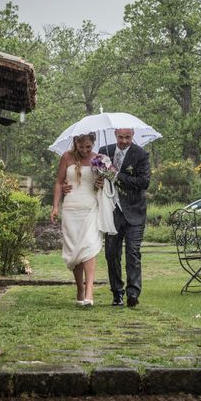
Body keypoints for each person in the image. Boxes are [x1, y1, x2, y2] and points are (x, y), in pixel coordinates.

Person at [98, 128, 150, 307]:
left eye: (127, 137)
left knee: (133, 253)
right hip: (111, 210)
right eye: (121, 137)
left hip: (135, 211)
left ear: (132, 136)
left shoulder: (141, 154)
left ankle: (133, 293)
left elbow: (144, 182)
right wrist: (100, 178)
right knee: (111, 254)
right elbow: (96, 175)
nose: (124, 141)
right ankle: (117, 293)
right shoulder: (104, 151)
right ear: (115, 135)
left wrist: (116, 175)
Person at [51, 133, 101, 307]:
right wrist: (55, 207)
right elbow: (58, 182)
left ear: (93, 144)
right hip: (71, 208)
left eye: (89, 147)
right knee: (74, 252)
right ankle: (80, 288)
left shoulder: (98, 159)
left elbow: (101, 185)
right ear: (76, 144)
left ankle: (89, 291)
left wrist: (101, 182)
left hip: (90, 208)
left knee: (89, 246)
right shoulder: (66, 157)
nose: (86, 150)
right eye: (82, 147)